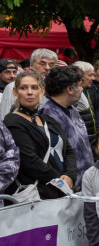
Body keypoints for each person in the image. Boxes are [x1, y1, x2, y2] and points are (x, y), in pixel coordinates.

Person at [3, 71, 77, 199]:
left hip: (60, 191)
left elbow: (68, 150)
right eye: (23, 88)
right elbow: (29, 160)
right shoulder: (12, 121)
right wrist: (59, 180)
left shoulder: (48, 119)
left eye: (34, 87)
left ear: (42, 91)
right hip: (36, 194)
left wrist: (70, 174)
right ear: (15, 91)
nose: (29, 92)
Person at [41, 65, 93, 186]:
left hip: (83, 184)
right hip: (66, 187)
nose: (81, 89)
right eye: (80, 85)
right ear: (70, 89)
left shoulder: (72, 109)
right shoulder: (48, 115)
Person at [0, 48, 58, 119]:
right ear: (31, 64)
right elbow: (4, 116)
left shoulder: (55, 87)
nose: (47, 68)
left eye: (51, 65)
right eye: (42, 63)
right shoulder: (13, 86)